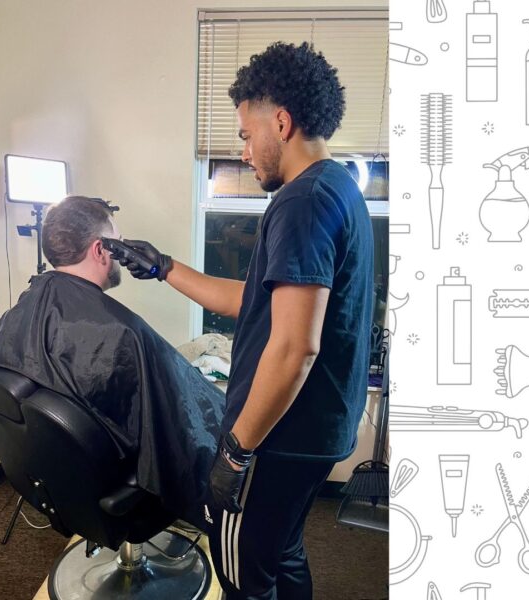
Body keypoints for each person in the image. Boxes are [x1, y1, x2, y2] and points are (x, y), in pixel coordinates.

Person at [111, 41, 374, 599]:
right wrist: (163, 267)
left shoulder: (302, 203)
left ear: (281, 122)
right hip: (319, 430)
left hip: (280, 437)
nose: (245, 151)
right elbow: (252, 301)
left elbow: (293, 348)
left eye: (246, 135)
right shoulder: (339, 188)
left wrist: (235, 451)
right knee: (283, 552)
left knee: (243, 576)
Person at [0, 195, 225, 528]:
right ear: (100, 250)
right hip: (117, 481)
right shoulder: (123, 332)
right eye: (117, 244)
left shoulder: (23, 310)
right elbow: (188, 416)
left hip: (65, 474)